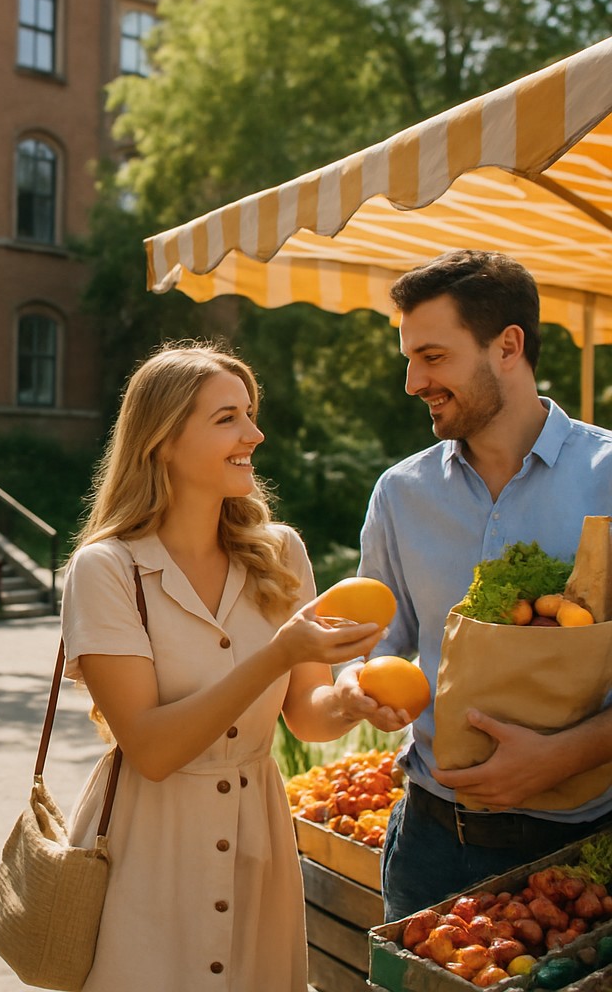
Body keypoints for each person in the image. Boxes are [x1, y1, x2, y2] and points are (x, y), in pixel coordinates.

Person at [60, 340, 393, 990]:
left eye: (250, 412)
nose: (255, 433)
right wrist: (279, 654)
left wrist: (351, 701)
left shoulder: (281, 553)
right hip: (146, 854)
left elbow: (308, 716)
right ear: (162, 441)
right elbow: (152, 749)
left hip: (258, 843)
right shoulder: (106, 570)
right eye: (228, 418)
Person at [344, 249, 612, 922]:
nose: (413, 382)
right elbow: (377, 643)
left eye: (432, 357)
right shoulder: (400, 494)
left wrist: (565, 755)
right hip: (429, 848)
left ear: (508, 346)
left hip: (586, 850)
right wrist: (361, 680)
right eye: (409, 359)